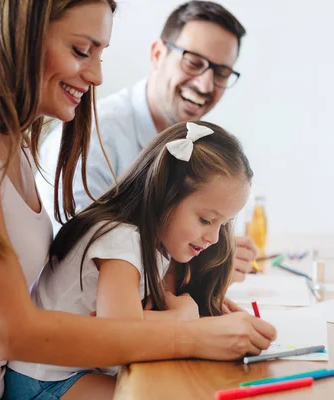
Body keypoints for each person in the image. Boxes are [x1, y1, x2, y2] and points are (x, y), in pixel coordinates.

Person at [0, 1, 276, 399]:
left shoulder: (13, 142)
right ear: (18, 33)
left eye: (100, 53)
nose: (97, 75)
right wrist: (190, 334)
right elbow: (12, 332)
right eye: (82, 50)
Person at [5, 121, 252, 398]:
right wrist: (184, 318)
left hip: (69, 373)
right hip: (43, 381)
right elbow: (120, 338)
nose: (214, 238)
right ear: (165, 194)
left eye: (224, 224)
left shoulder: (153, 245)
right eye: (206, 219)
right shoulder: (121, 240)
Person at [37, 0, 257, 282]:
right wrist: (199, 266)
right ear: (157, 54)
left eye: (221, 73)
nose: (205, 85)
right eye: (193, 63)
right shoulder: (95, 137)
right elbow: (80, 255)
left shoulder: (195, 148)